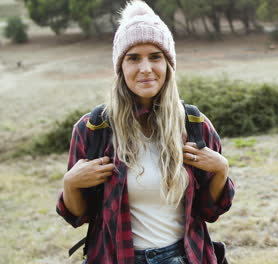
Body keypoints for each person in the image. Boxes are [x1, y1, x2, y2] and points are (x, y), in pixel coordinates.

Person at [56, 1, 235, 263]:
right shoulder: (93, 129)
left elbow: (210, 211)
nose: (145, 68)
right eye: (133, 58)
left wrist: (221, 169)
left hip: (184, 257)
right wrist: (70, 183)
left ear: (168, 65)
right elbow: (78, 216)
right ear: (120, 67)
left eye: (155, 56)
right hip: (116, 257)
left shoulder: (194, 124)